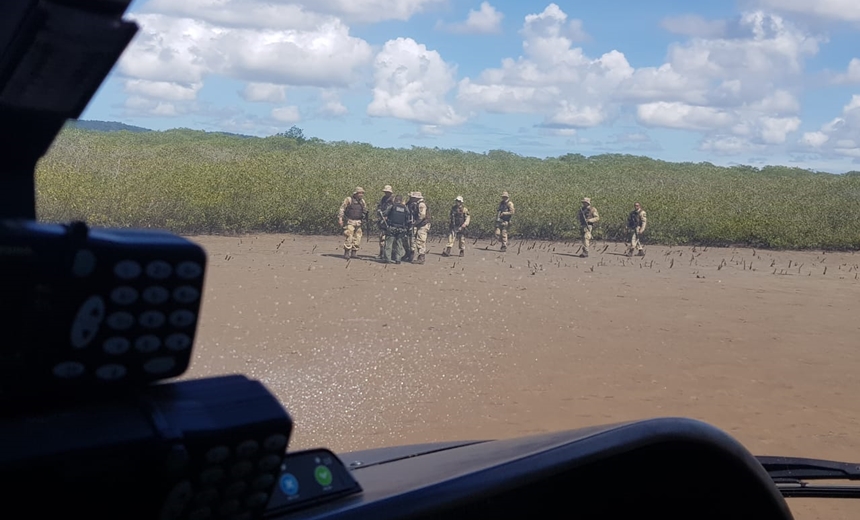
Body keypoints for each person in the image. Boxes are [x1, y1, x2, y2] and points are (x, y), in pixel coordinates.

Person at [337, 186, 368, 259]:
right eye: (360, 193)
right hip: (350, 221)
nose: (361, 194)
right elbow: (342, 209)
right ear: (356, 193)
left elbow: (364, 210)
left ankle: (354, 252)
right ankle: (347, 252)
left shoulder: (362, 201)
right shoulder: (349, 200)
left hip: (358, 222)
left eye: (362, 193)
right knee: (349, 236)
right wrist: (340, 219)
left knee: (358, 237)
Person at [381, 195, 411, 264]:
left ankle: (388, 259)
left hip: (392, 227)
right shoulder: (405, 208)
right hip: (401, 229)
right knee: (399, 244)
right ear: (401, 200)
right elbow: (408, 217)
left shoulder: (392, 206)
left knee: (389, 244)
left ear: (395, 200)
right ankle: (398, 259)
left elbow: (384, 213)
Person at [408, 192, 431, 264]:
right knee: (415, 239)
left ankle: (421, 257)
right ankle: (414, 255)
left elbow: (422, 216)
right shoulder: (415, 204)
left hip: (423, 225)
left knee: (420, 240)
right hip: (419, 224)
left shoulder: (421, 204)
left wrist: (415, 223)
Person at [376, 185, 395, 259]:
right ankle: (382, 253)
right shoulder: (383, 199)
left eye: (387, 192)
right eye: (385, 192)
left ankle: (390, 255)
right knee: (382, 237)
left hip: (391, 221)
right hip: (382, 221)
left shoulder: (393, 199)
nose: (386, 193)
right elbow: (380, 207)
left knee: (391, 238)